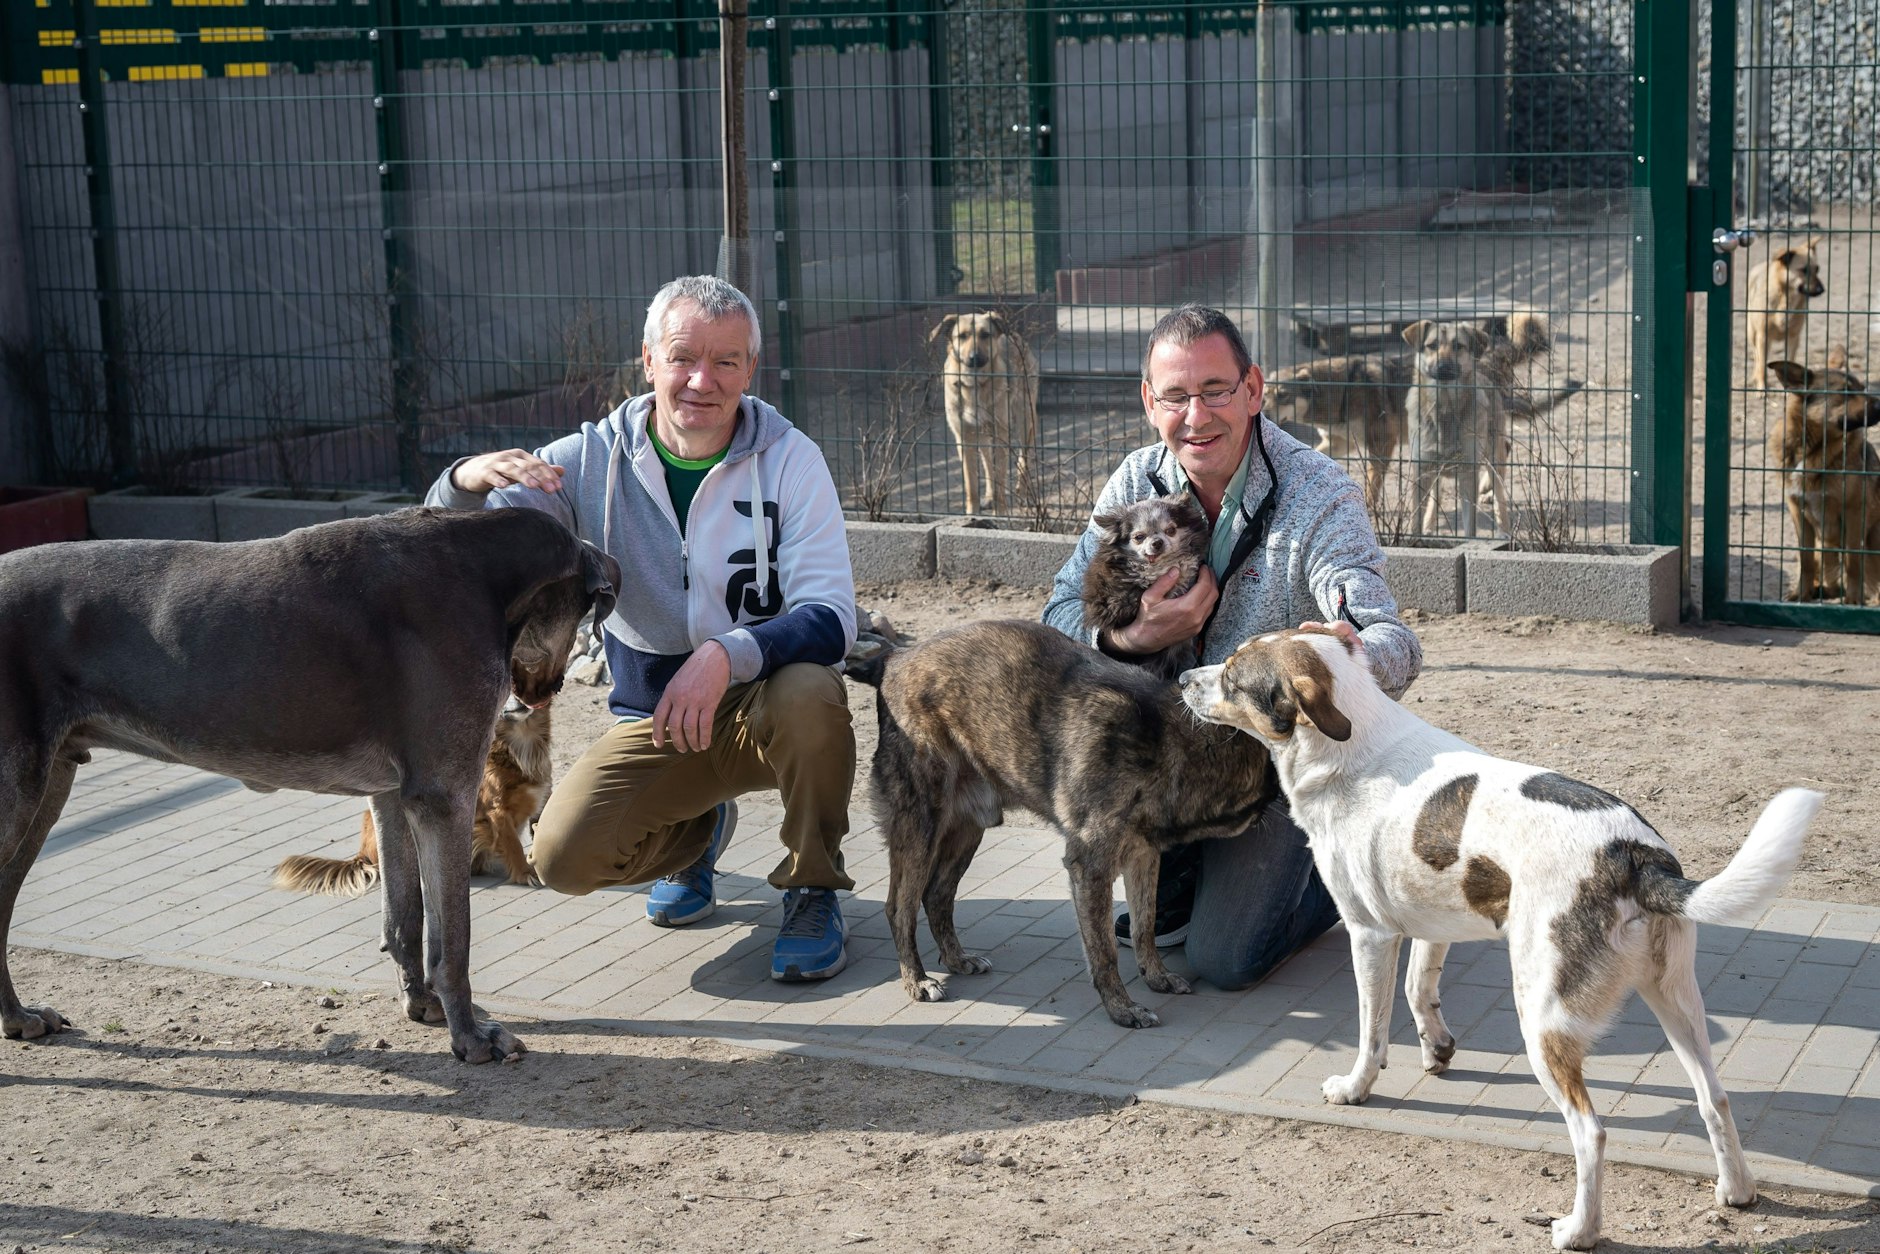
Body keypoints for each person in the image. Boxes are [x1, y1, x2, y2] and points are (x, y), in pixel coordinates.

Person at [426, 274, 857, 982]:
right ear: (649, 360)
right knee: (561, 857)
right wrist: (463, 480)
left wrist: (726, 653)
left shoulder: (790, 458)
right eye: (683, 356)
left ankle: (813, 884)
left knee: (813, 691)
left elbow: (832, 617)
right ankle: (694, 838)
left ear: (751, 370)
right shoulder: (586, 461)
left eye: (726, 362)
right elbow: (463, 544)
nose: (701, 380)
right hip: (656, 718)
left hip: (766, 706)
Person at [1041, 304, 1422, 989]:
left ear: (1253, 388)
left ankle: (1340, 880)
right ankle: (1194, 872)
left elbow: (1390, 636)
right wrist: (1128, 637)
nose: (1197, 417)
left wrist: (1349, 651)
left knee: (1224, 961)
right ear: (1148, 402)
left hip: (1276, 765)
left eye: (1216, 391)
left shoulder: (1318, 492)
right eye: (1176, 397)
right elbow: (1059, 612)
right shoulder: (1135, 482)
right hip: (1172, 750)